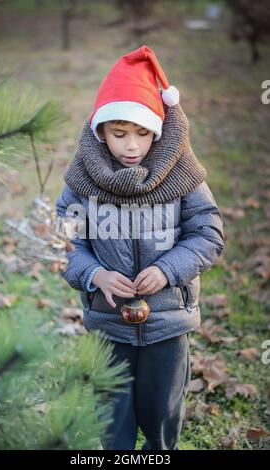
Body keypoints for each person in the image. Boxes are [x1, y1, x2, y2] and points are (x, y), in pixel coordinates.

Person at [56, 45, 225, 450]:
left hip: (168, 323)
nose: (131, 146)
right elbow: (63, 240)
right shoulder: (82, 180)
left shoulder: (182, 174)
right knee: (112, 418)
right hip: (108, 323)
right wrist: (94, 274)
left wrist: (168, 270)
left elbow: (208, 234)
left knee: (162, 414)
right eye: (119, 135)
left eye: (142, 134)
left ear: (158, 130)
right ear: (100, 132)